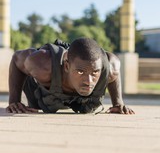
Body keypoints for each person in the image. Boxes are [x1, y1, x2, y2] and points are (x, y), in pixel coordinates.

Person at [6, 37, 134, 114]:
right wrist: (14, 101)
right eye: (80, 72)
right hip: (42, 91)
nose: (88, 81)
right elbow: (17, 59)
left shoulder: (110, 67)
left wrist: (118, 103)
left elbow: (113, 75)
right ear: (67, 66)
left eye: (95, 73)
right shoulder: (42, 64)